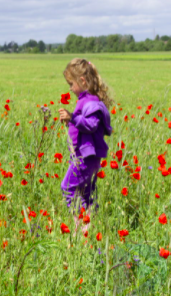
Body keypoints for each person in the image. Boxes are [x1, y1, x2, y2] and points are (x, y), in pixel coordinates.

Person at [58, 58, 113, 224]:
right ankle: (90, 227)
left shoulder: (91, 103)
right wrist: (72, 120)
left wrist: (72, 118)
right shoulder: (87, 100)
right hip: (86, 157)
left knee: (68, 188)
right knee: (86, 194)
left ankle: (81, 226)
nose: (70, 88)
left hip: (85, 158)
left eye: (71, 84)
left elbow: (91, 125)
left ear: (82, 81)